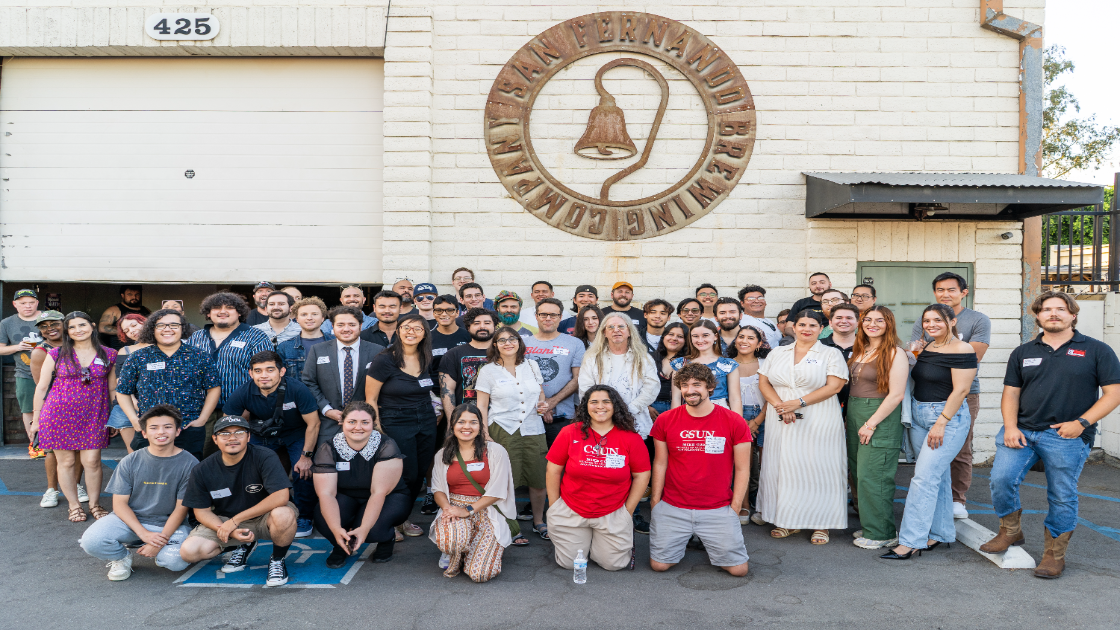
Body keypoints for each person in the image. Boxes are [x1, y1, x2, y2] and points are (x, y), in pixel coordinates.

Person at [981, 292, 1120, 578]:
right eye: (1046, 310)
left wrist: (1082, 422)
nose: (1053, 314)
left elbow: (1113, 393)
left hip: (1066, 436)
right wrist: (1009, 426)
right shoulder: (1023, 352)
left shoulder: (1097, 350)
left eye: (1060, 309)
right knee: (1001, 479)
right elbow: (1011, 393)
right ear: (1038, 316)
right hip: (1022, 432)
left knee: (1061, 495)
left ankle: (1053, 555)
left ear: (1073, 315)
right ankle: (1011, 532)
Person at [881, 304, 976, 561]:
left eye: (938, 320)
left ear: (952, 321)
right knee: (938, 477)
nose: (931, 325)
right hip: (920, 414)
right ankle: (941, 533)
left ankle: (911, 541)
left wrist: (941, 422)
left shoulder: (963, 349)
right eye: (926, 320)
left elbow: (961, 391)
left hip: (946, 418)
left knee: (923, 479)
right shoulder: (926, 347)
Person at [649, 363, 751, 577]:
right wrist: (656, 502)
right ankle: (691, 538)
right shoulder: (666, 420)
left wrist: (734, 508)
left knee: (738, 570)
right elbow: (660, 463)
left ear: (710, 387)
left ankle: (709, 541)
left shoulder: (734, 421)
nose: (690, 390)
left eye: (697, 384)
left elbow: (742, 468)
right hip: (673, 506)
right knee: (659, 566)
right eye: (684, 385)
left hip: (717, 507)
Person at [757, 310, 849, 545]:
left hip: (819, 418)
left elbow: (835, 385)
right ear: (793, 327)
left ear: (821, 329)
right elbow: (764, 381)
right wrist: (780, 406)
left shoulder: (831, 353)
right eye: (801, 324)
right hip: (781, 418)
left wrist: (798, 402)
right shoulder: (778, 352)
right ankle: (787, 520)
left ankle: (822, 523)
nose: (806, 329)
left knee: (819, 466)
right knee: (785, 467)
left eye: (812, 325)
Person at [79, 405, 198, 581]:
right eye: (154, 427)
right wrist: (144, 534)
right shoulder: (130, 461)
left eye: (167, 427)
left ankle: (162, 549)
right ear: (144, 433)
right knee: (92, 541)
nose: (161, 432)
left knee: (174, 562)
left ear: (177, 431)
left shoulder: (190, 463)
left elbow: (181, 510)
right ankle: (121, 557)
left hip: (168, 524)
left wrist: (160, 542)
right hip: (130, 521)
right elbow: (119, 505)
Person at [908, 272, 991, 520]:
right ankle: (940, 500)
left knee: (961, 447)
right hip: (927, 393)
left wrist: (934, 355)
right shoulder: (924, 320)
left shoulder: (978, 320)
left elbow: (972, 357)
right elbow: (915, 355)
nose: (945, 294)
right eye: (940, 290)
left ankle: (957, 498)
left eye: (951, 290)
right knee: (930, 452)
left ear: (964, 292)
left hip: (964, 392)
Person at [180, 416, 298, 587]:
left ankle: (278, 560)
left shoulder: (264, 456)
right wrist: (226, 529)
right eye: (225, 433)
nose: (232, 438)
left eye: (239, 432)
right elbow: (201, 511)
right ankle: (241, 546)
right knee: (189, 552)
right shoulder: (202, 469)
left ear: (248, 437)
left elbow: (281, 496)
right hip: (227, 520)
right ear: (215, 439)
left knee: (284, 513)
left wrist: (236, 520)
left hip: (265, 517)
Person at [546, 385, 651, 571]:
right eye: (594, 402)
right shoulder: (570, 432)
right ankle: (586, 541)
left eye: (606, 402)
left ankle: (597, 544)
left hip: (612, 511)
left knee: (614, 565)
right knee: (568, 564)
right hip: (572, 509)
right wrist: (555, 507)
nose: (600, 406)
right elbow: (553, 470)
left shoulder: (630, 438)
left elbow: (642, 475)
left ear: (615, 406)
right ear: (586, 406)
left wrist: (627, 512)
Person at [223, 350, 321, 539]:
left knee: (303, 471)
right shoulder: (244, 391)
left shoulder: (297, 389)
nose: (264, 375)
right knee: (255, 473)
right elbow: (229, 424)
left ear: (282, 371)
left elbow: (314, 423)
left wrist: (306, 456)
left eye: (270, 370)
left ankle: (305, 516)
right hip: (263, 435)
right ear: (250, 373)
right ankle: (269, 511)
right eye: (258, 371)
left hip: (296, 434)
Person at [31, 311, 117, 523]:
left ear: (93, 326)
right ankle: (74, 505)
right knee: (67, 462)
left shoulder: (109, 354)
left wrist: (115, 416)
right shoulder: (57, 354)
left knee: (93, 461)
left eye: (82, 325)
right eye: (72, 327)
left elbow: (112, 388)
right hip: (58, 414)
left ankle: (95, 504)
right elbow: (42, 387)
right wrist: (36, 419)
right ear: (67, 331)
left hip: (94, 414)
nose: (78, 330)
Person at [365, 312, 439, 538]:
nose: (411, 332)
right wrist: (378, 429)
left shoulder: (426, 357)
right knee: (402, 474)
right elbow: (371, 399)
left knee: (419, 474)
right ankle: (389, 521)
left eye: (418, 328)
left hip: (425, 420)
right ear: (398, 331)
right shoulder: (384, 359)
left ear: (424, 333)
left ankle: (403, 518)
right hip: (395, 421)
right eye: (407, 327)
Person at [475, 326, 549, 545]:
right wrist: (485, 433)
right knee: (507, 481)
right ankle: (510, 525)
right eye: (502, 340)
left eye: (512, 338)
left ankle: (538, 521)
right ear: (495, 345)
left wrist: (543, 406)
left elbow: (540, 394)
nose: (508, 343)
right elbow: (482, 406)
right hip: (503, 429)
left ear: (519, 342)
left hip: (533, 428)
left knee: (538, 479)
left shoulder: (532, 365)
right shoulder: (488, 370)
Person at [313, 402, 411, 567]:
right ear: (342, 422)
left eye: (365, 422)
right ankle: (340, 545)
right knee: (325, 520)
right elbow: (326, 494)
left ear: (373, 423)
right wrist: (336, 529)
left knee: (372, 529)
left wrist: (364, 528)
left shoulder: (386, 445)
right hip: (346, 496)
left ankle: (386, 538)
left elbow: (378, 492)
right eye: (352, 422)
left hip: (388, 496)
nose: (358, 427)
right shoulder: (328, 447)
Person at [115, 309, 221, 459]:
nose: (167, 329)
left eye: (173, 325)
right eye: (161, 325)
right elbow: (122, 391)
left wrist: (202, 419)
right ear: (152, 329)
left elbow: (214, 388)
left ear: (182, 328)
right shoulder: (138, 357)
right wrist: (134, 420)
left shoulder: (199, 356)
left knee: (189, 476)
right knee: (148, 475)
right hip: (150, 429)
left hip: (188, 428)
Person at [430, 403, 517, 581]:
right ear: (452, 425)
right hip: (453, 507)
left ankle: (479, 548)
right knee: (452, 540)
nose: (467, 427)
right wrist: (448, 509)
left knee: (480, 574)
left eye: (473, 422)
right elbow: (438, 489)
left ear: (480, 426)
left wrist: (467, 510)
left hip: (486, 509)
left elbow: (498, 490)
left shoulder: (495, 451)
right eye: (461, 422)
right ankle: (456, 549)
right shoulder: (442, 454)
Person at [846, 307, 908, 550]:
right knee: (859, 473)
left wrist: (871, 423)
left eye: (879, 320)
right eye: (868, 320)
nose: (872, 324)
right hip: (854, 412)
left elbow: (896, 395)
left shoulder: (895, 353)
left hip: (878, 416)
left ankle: (883, 532)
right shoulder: (861, 350)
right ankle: (872, 524)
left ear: (888, 324)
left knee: (875, 475)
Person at [186, 292, 273, 454]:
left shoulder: (256, 336)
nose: (222, 311)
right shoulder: (196, 338)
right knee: (203, 454)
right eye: (217, 308)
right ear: (208, 313)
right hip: (202, 411)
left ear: (240, 312)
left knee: (237, 455)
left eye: (230, 308)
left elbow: (266, 375)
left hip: (242, 409)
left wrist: (249, 407)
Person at [301, 306, 386, 444]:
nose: (346, 329)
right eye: (340, 325)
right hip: (328, 424)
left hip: (365, 425)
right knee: (326, 464)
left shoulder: (378, 351)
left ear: (361, 326)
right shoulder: (318, 350)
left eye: (352, 324)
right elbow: (308, 382)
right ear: (333, 327)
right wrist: (327, 410)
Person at [578, 312, 660, 439]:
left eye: (621, 327)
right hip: (601, 423)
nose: (616, 330)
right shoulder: (592, 358)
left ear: (630, 331)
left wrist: (628, 410)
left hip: (635, 422)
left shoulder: (644, 358)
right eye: (610, 327)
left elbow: (652, 388)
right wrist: (605, 412)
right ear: (604, 333)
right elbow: (585, 389)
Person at [29, 310, 81, 508]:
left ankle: (76, 486)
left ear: (65, 324)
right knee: (52, 450)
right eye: (44, 326)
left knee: (79, 448)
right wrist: (38, 416)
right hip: (55, 406)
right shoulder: (40, 352)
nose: (49, 328)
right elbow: (40, 386)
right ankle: (51, 489)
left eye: (54, 324)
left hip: (79, 405)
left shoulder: (78, 344)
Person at [523, 297, 585, 449]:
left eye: (553, 315)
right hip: (529, 415)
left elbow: (578, 378)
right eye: (543, 314)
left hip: (563, 416)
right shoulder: (523, 344)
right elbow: (521, 378)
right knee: (534, 464)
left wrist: (551, 403)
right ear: (536, 316)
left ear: (560, 317)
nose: (548, 318)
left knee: (560, 463)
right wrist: (541, 406)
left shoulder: (575, 343)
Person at [728, 325, 770, 523]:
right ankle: (743, 505)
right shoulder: (727, 364)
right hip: (735, 416)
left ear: (759, 343)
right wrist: (742, 421)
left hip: (766, 414)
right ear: (735, 340)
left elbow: (773, 394)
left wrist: (757, 420)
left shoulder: (766, 363)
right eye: (741, 336)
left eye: (751, 338)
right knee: (740, 462)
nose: (745, 341)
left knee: (766, 462)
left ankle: (763, 506)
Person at [1, 288, 45, 458]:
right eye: (23, 303)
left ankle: (56, 442)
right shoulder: (6, 323)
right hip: (25, 373)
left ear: (37, 303)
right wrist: (18, 347)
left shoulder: (50, 317)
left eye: (31, 302)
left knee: (55, 407)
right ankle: (35, 445)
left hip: (55, 374)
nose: (28, 306)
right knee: (28, 410)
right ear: (14, 305)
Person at [670, 320, 741, 413]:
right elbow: (676, 398)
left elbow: (735, 399)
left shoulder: (728, 364)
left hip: (720, 413)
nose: (700, 340)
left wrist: (738, 424)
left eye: (705, 335)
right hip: (690, 411)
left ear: (715, 336)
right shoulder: (680, 364)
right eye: (695, 336)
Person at [438, 308, 496, 414]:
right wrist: (453, 422)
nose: (482, 326)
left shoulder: (505, 353)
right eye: (476, 323)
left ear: (494, 327)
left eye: (487, 323)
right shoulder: (453, 355)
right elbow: (447, 392)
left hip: (499, 420)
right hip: (466, 420)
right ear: (468, 327)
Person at [105, 312, 149, 454]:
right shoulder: (126, 351)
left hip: (158, 405)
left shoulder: (165, 346)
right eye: (127, 331)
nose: (132, 331)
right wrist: (136, 406)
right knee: (135, 453)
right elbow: (121, 383)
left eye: (134, 325)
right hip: (129, 405)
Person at [276, 296, 334, 379]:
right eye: (304, 314)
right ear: (297, 319)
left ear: (322, 318)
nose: (309, 318)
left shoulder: (336, 342)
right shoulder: (284, 347)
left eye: (314, 314)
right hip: (297, 392)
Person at [821, 303, 860, 417]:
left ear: (857, 322)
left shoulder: (867, 347)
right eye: (838, 318)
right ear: (830, 323)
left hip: (858, 406)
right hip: (825, 405)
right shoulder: (818, 346)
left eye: (849, 318)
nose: (844, 321)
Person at [652, 323, 691, 420]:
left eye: (680, 336)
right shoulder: (649, 358)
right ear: (664, 337)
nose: (674, 338)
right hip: (650, 408)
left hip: (678, 408)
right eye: (671, 334)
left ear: (686, 341)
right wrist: (646, 407)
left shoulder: (689, 362)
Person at [430, 295, 470, 381]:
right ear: (433, 313)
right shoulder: (426, 338)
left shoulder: (469, 336)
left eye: (450, 310)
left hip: (463, 390)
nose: (444, 314)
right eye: (439, 310)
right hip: (435, 391)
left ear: (457, 313)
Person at [738, 285, 782, 349]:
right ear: (742, 303)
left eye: (760, 298)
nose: (756, 301)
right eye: (751, 299)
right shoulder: (741, 321)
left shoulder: (769, 321)